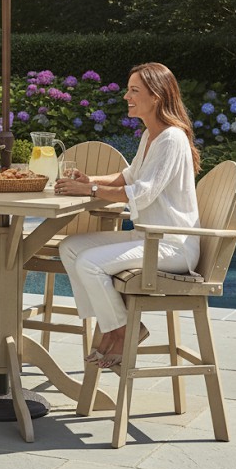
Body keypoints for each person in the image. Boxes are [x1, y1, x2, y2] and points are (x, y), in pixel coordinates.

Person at [54, 62, 201, 368]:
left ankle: (122, 333)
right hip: (147, 238)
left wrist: (90, 192)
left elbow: (143, 192)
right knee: (70, 247)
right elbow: (127, 176)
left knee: (89, 264)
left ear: (156, 96)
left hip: (171, 246)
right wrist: (89, 180)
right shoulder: (151, 136)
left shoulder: (172, 138)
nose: (126, 96)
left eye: (134, 90)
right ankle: (116, 328)